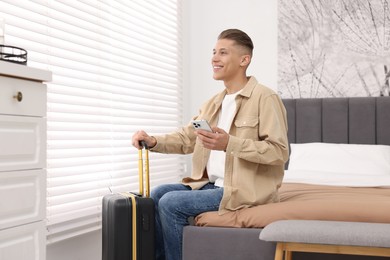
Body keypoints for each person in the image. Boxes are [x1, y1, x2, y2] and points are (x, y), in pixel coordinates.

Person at [131, 28, 289, 260]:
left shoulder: (265, 98)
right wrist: (154, 141)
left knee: (171, 203)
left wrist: (229, 144)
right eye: (214, 52)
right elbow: (187, 139)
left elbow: (279, 152)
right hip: (210, 185)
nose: (214, 58)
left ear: (244, 60)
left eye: (223, 53)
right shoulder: (213, 103)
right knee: (157, 194)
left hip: (241, 191)